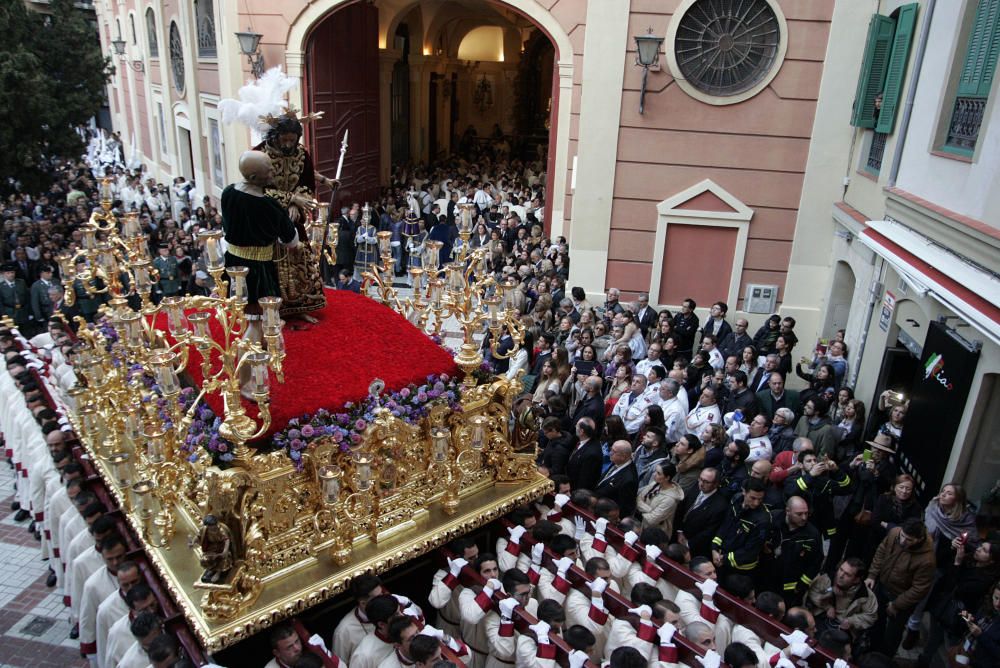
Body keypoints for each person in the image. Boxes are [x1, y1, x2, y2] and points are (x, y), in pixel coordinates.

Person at [253, 112, 330, 320]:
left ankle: (300, 304)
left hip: (293, 219)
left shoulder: (302, 154)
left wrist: (299, 202)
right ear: (275, 136)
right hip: (268, 218)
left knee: (299, 258)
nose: (288, 143)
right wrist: (290, 200)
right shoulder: (259, 154)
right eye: (284, 139)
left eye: (292, 139)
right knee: (271, 264)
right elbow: (256, 188)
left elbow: (307, 183)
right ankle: (272, 309)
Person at [865, 518, 936, 656]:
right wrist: (872, 575)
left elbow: (919, 589)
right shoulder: (894, 533)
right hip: (883, 586)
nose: (903, 541)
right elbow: (881, 551)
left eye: (909, 540)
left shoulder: (927, 560)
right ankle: (871, 652)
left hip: (901, 598)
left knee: (892, 634)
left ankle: (885, 659)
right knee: (875, 622)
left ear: (919, 539)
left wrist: (897, 605)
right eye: (902, 536)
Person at [634, 461, 684, 537]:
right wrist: (650, 510)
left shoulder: (670, 499)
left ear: (667, 478)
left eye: (658, 473)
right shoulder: (655, 484)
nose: (654, 474)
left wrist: (642, 508)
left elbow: (653, 519)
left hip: (656, 534)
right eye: (655, 471)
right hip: (643, 525)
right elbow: (638, 499)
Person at [594, 440, 639, 518]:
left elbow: (624, 508)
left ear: (623, 456)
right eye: (611, 449)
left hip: (606, 516)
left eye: (614, 451)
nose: (610, 453)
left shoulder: (629, 480)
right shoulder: (617, 462)